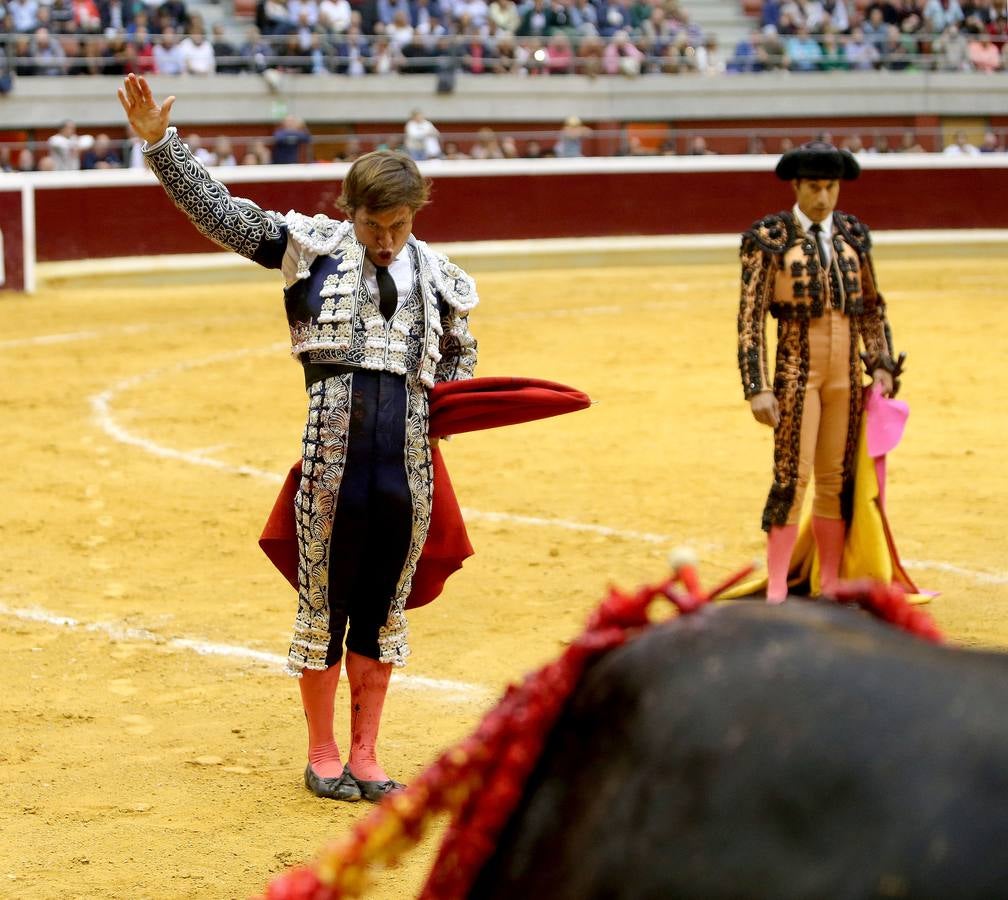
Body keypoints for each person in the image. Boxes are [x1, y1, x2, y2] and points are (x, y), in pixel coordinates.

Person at [117, 72, 478, 802]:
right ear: (349, 212)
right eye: (374, 227)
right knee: (325, 604)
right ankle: (322, 752)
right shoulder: (306, 249)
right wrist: (162, 147)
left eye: (399, 227)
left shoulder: (441, 277)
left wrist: (455, 400)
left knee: (383, 608)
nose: (385, 241)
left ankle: (369, 755)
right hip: (330, 463)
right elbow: (222, 216)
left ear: (416, 215)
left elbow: (462, 364)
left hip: (408, 467)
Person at [737, 141, 903, 603]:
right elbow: (750, 317)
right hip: (795, 373)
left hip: (847, 376)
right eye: (814, 187)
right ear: (797, 186)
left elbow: (871, 308)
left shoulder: (853, 235)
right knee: (792, 476)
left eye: (830, 187)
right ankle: (775, 587)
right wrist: (757, 387)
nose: (824, 198)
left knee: (836, 481)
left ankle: (827, 583)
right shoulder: (769, 237)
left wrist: (882, 365)